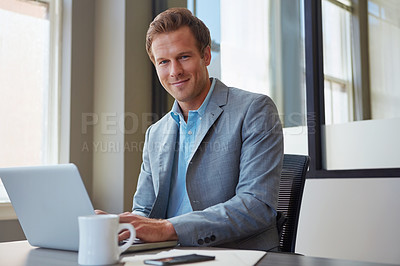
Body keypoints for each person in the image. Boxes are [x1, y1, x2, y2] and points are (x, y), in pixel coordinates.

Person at [97, 7, 283, 251]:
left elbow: (256, 206)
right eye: (164, 62)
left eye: (184, 57)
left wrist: (166, 229)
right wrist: (122, 226)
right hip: (167, 255)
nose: (174, 71)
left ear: (206, 56)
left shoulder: (254, 110)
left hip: (235, 255)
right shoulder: (156, 133)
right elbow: (144, 210)